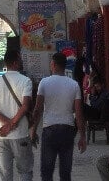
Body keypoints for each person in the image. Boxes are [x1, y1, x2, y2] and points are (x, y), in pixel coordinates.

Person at [30, 52, 87, 181]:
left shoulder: (44, 83)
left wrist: (33, 131)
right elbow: (79, 113)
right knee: (65, 173)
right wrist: (83, 136)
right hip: (67, 130)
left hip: (49, 129)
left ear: (53, 64)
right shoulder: (74, 85)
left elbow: (37, 109)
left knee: (46, 172)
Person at [0, 48, 34, 181]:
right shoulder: (25, 81)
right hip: (20, 135)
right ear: (14, 63)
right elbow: (25, 106)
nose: (21, 61)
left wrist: (7, 124)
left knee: (5, 175)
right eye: (19, 59)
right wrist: (11, 124)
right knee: (25, 171)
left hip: (2, 135)